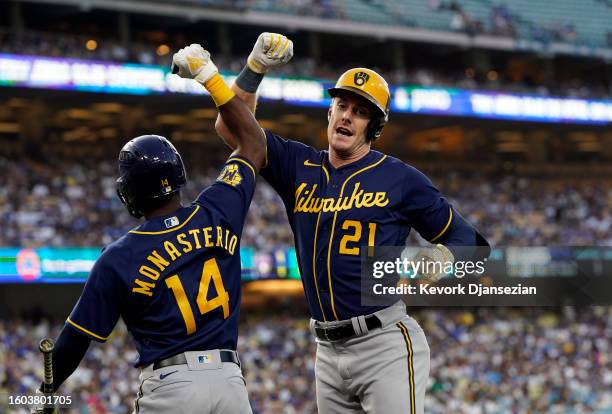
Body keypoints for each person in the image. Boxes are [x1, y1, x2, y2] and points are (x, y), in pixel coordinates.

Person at [216, 33, 490, 413]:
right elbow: (233, 131)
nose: (346, 115)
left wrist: (444, 255)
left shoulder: (401, 178)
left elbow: (472, 241)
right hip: (326, 350)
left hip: (384, 344)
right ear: (329, 113)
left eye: (360, 111)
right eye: (341, 105)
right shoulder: (298, 165)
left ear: (374, 128)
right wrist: (255, 69)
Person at [36, 43, 265, 414]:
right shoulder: (218, 207)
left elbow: (74, 341)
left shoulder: (120, 256)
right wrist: (215, 76)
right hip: (229, 383)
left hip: (171, 385)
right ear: (178, 174)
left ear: (130, 192)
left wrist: (44, 394)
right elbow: (253, 141)